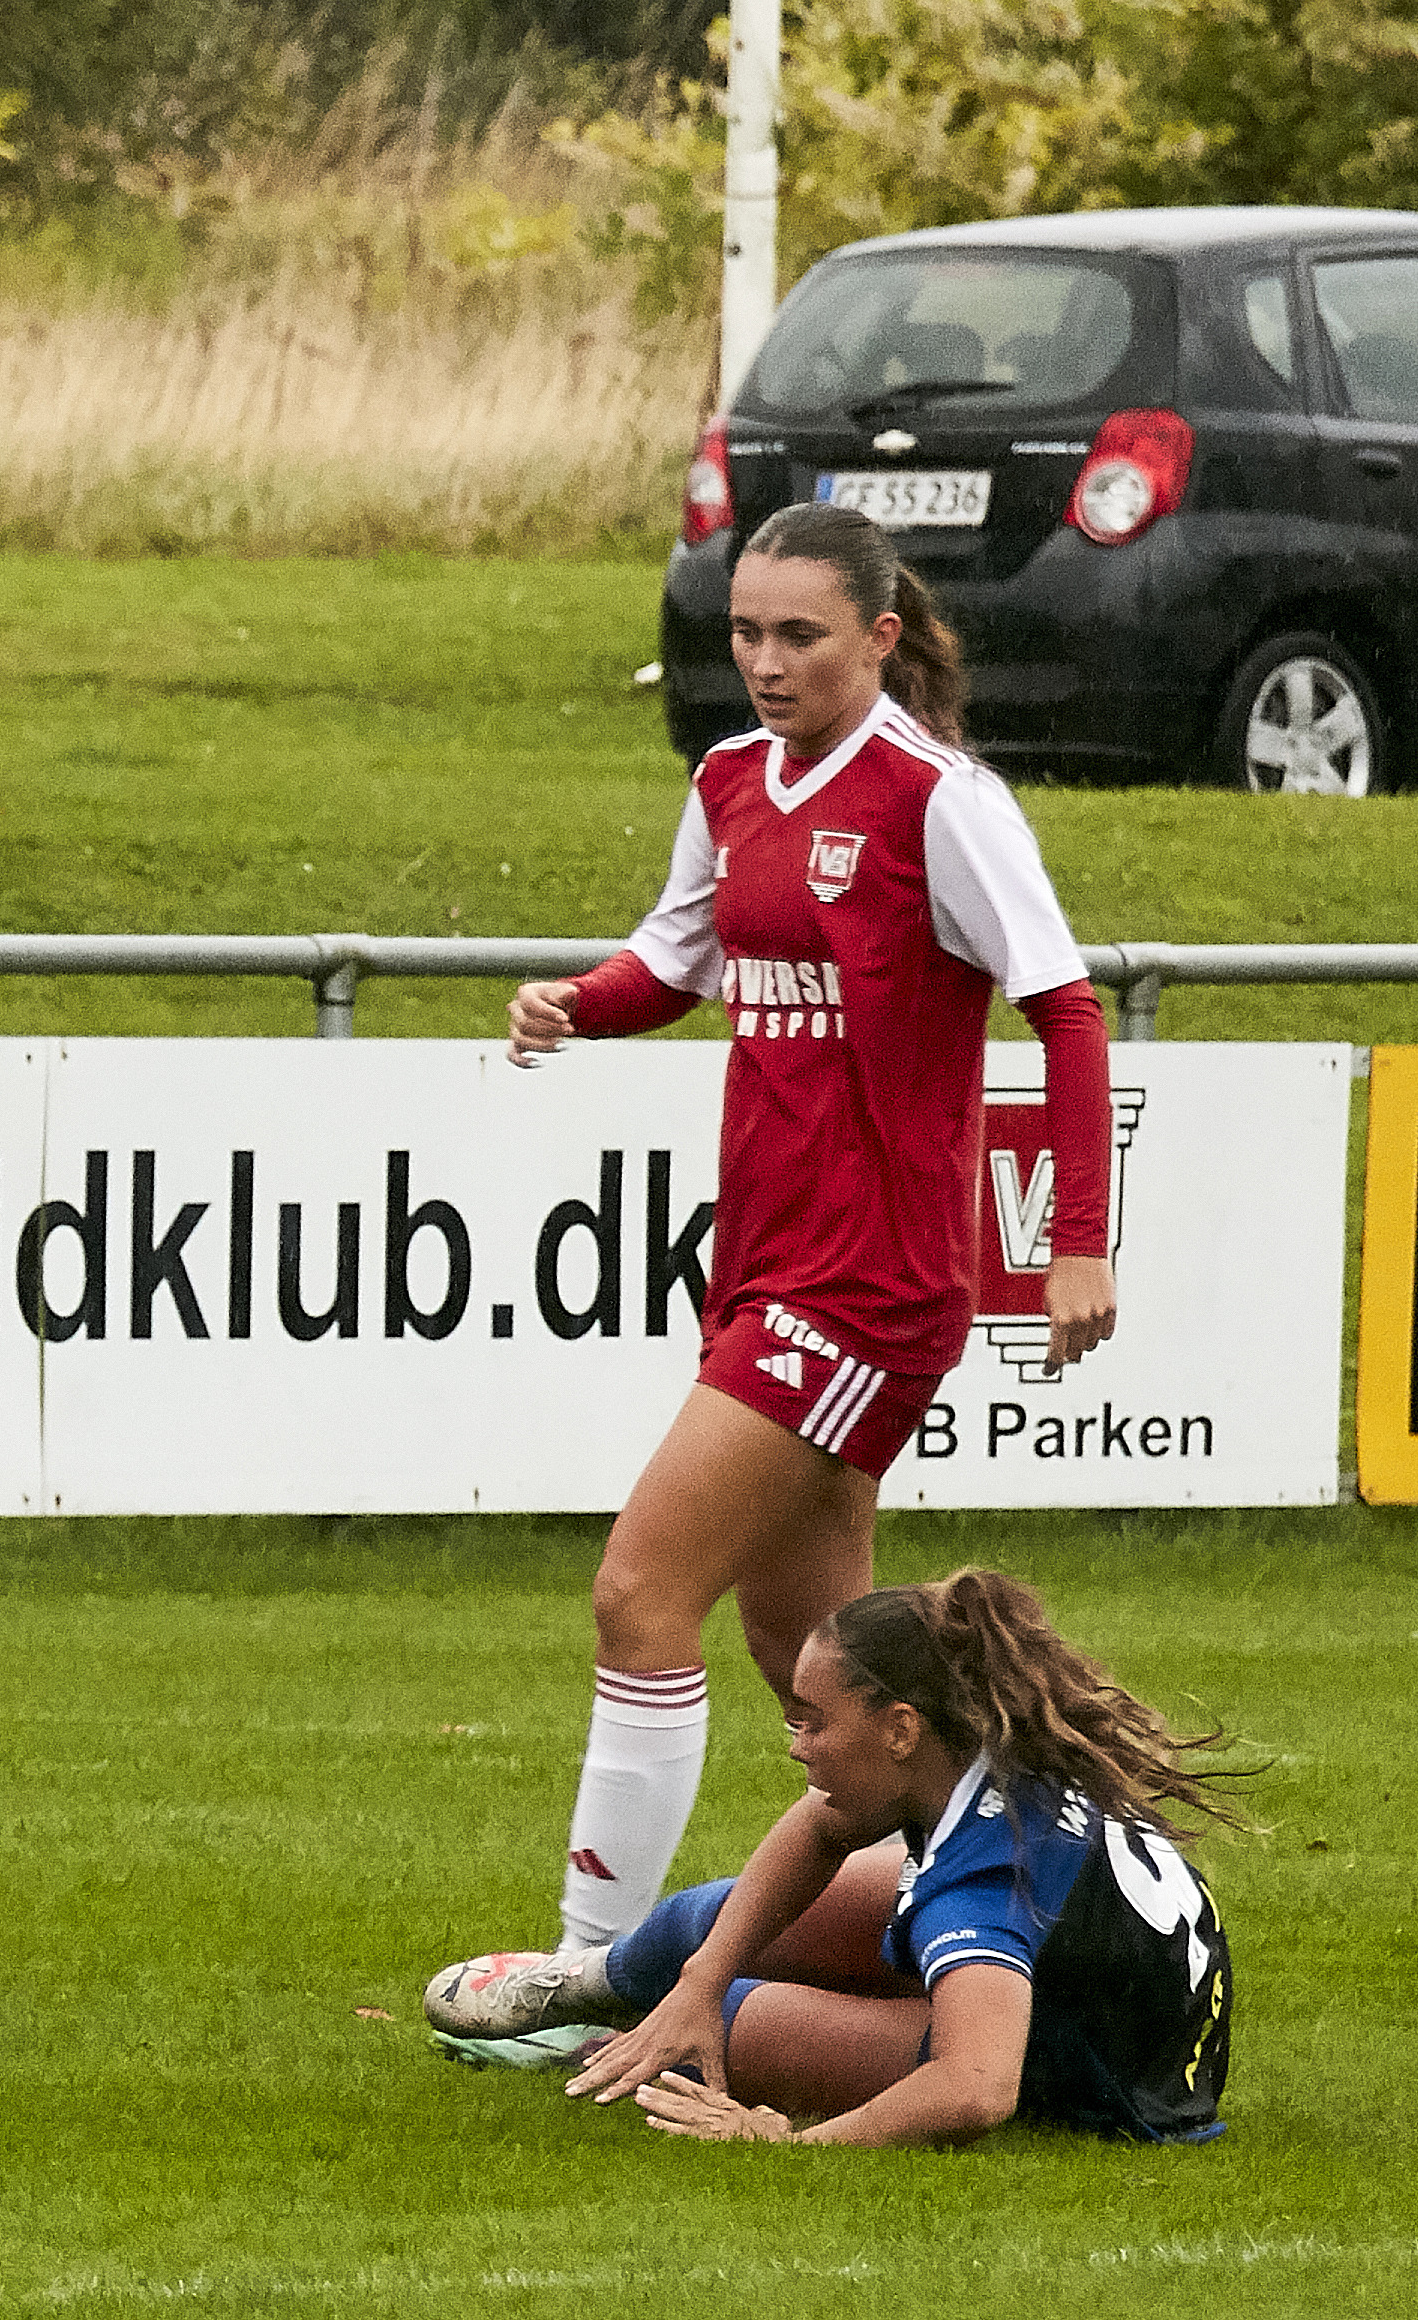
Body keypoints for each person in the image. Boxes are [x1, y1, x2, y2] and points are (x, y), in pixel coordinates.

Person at [494, 502, 1115, 1976]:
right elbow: (676, 958)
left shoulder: (936, 797)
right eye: (743, 634)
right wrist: (578, 1002)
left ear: (880, 637)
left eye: (799, 635)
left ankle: (587, 1970)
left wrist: (1076, 1239)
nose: (764, 663)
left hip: (870, 1278)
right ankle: (1032, 1913)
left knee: (639, 1592)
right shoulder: (728, 780)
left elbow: (1065, 1008)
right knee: (830, 1677)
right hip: (764, 1261)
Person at [425, 1568, 1236, 2147]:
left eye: (812, 1722)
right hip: (1076, 1990)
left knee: (730, 2030)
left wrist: (781, 2142)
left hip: (1073, 2069)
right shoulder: (981, 1745)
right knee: (704, 1935)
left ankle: (610, 2040)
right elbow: (818, 1828)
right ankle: (586, 1983)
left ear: (899, 1729)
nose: (796, 1746)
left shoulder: (983, 1885)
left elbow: (974, 2089)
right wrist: (695, 1981)